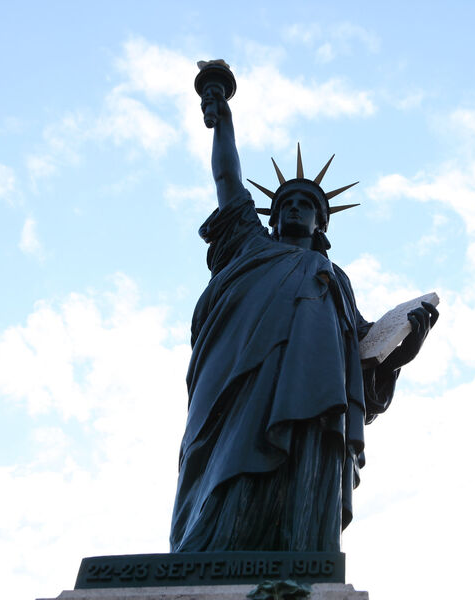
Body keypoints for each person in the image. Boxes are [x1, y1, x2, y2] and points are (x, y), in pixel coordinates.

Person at [169, 85, 437, 553]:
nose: (294, 207)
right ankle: (211, 549)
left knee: (304, 470)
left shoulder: (334, 277)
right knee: (225, 464)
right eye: (286, 202)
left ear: (321, 223)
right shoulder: (250, 246)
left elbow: (362, 352)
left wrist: (400, 350)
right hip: (239, 384)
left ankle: (297, 554)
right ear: (271, 217)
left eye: (306, 204)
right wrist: (222, 116)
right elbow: (228, 180)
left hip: (313, 395)